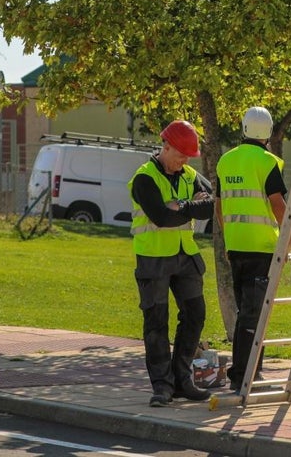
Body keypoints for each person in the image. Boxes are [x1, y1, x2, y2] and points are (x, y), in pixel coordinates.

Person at [129, 119, 215, 407]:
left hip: (185, 255)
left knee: (195, 315)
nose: (183, 162)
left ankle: (182, 380)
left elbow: (211, 206)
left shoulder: (191, 175)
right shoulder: (145, 178)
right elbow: (161, 218)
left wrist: (181, 207)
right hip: (153, 259)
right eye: (179, 155)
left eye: (188, 157)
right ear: (165, 146)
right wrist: (189, 207)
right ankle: (162, 386)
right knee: (156, 322)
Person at [216, 106, 291, 392]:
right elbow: (277, 205)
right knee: (253, 314)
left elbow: (220, 205)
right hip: (262, 248)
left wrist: (227, 240)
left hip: (236, 247)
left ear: (244, 128)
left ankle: (249, 372)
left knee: (245, 312)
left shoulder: (225, 161)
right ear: (269, 132)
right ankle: (243, 375)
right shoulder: (267, 162)